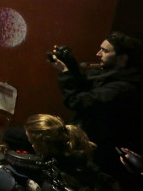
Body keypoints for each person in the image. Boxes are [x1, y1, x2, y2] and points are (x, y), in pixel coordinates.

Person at [49, 32, 143, 174]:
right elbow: (85, 83)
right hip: (84, 145)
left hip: (95, 156)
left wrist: (66, 72)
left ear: (122, 59)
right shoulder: (110, 74)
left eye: (105, 51)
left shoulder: (123, 88)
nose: (98, 54)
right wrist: (70, 64)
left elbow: (77, 101)